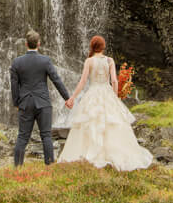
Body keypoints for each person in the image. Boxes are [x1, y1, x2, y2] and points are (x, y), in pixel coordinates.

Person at [57, 35, 153, 171]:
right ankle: (113, 154)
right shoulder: (109, 60)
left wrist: (72, 97)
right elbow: (114, 80)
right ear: (103, 47)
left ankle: (88, 154)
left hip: (92, 94)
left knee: (91, 123)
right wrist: (115, 97)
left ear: (92, 46)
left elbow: (83, 82)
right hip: (107, 93)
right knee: (112, 124)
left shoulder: (89, 61)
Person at [9, 29, 72, 166]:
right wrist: (67, 98)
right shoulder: (45, 60)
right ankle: (49, 166)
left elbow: (14, 86)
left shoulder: (17, 62)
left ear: (26, 44)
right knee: (46, 136)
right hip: (43, 103)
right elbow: (56, 80)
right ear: (39, 44)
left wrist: (16, 103)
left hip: (25, 102)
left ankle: (17, 168)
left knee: (22, 137)